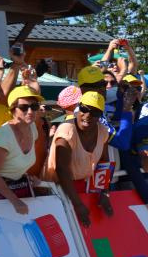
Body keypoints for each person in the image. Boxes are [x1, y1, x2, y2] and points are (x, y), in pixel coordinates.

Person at [42, 92, 113, 226]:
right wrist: (78, 204)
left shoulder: (103, 131)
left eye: (95, 112)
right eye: (84, 109)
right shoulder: (67, 130)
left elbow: (104, 162)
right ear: (78, 108)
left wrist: (104, 192)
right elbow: (62, 170)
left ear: (100, 116)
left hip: (83, 186)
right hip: (55, 189)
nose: (88, 116)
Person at [0, 86, 44, 213]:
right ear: (12, 110)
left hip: (16, 188)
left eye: (34, 106)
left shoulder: (32, 127)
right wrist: (15, 201)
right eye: (23, 107)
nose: (30, 111)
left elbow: (14, 164)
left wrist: (29, 178)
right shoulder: (4, 135)